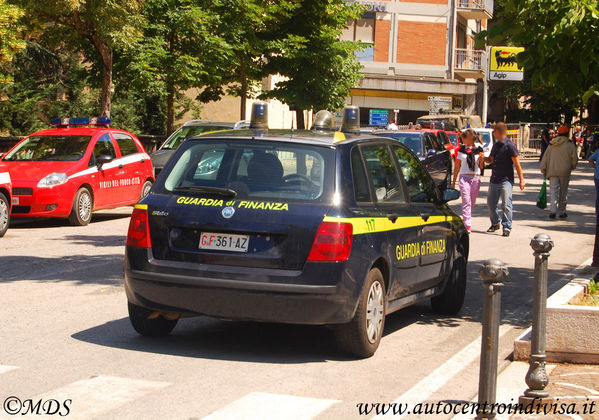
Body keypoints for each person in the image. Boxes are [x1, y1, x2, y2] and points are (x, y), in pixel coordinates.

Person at [484, 122, 526, 237]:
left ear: (498, 132)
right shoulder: (496, 145)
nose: (494, 134)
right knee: (491, 203)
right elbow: (491, 160)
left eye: (494, 132)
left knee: (506, 204)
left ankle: (507, 226)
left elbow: (517, 163)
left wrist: (521, 180)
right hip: (494, 179)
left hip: (506, 180)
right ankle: (495, 223)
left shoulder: (510, 145)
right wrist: (483, 158)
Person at [540, 125, 578, 218]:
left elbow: (545, 157)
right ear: (567, 134)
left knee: (553, 191)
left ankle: (552, 211)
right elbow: (574, 159)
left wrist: (543, 168)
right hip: (565, 171)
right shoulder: (570, 144)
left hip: (552, 170)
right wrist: (572, 166)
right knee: (563, 191)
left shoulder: (552, 144)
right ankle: (562, 211)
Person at [451, 129, 484, 233]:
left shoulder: (479, 150)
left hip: (475, 177)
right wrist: (453, 182)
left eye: (463, 138)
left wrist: (482, 159)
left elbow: (481, 167)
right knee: (466, 201)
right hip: (464, 177)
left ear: (469, 139)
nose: (462, 139)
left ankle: (467, 218)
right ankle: (467, 224)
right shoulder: (461, 150)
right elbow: (457, 166)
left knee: (472, 201)